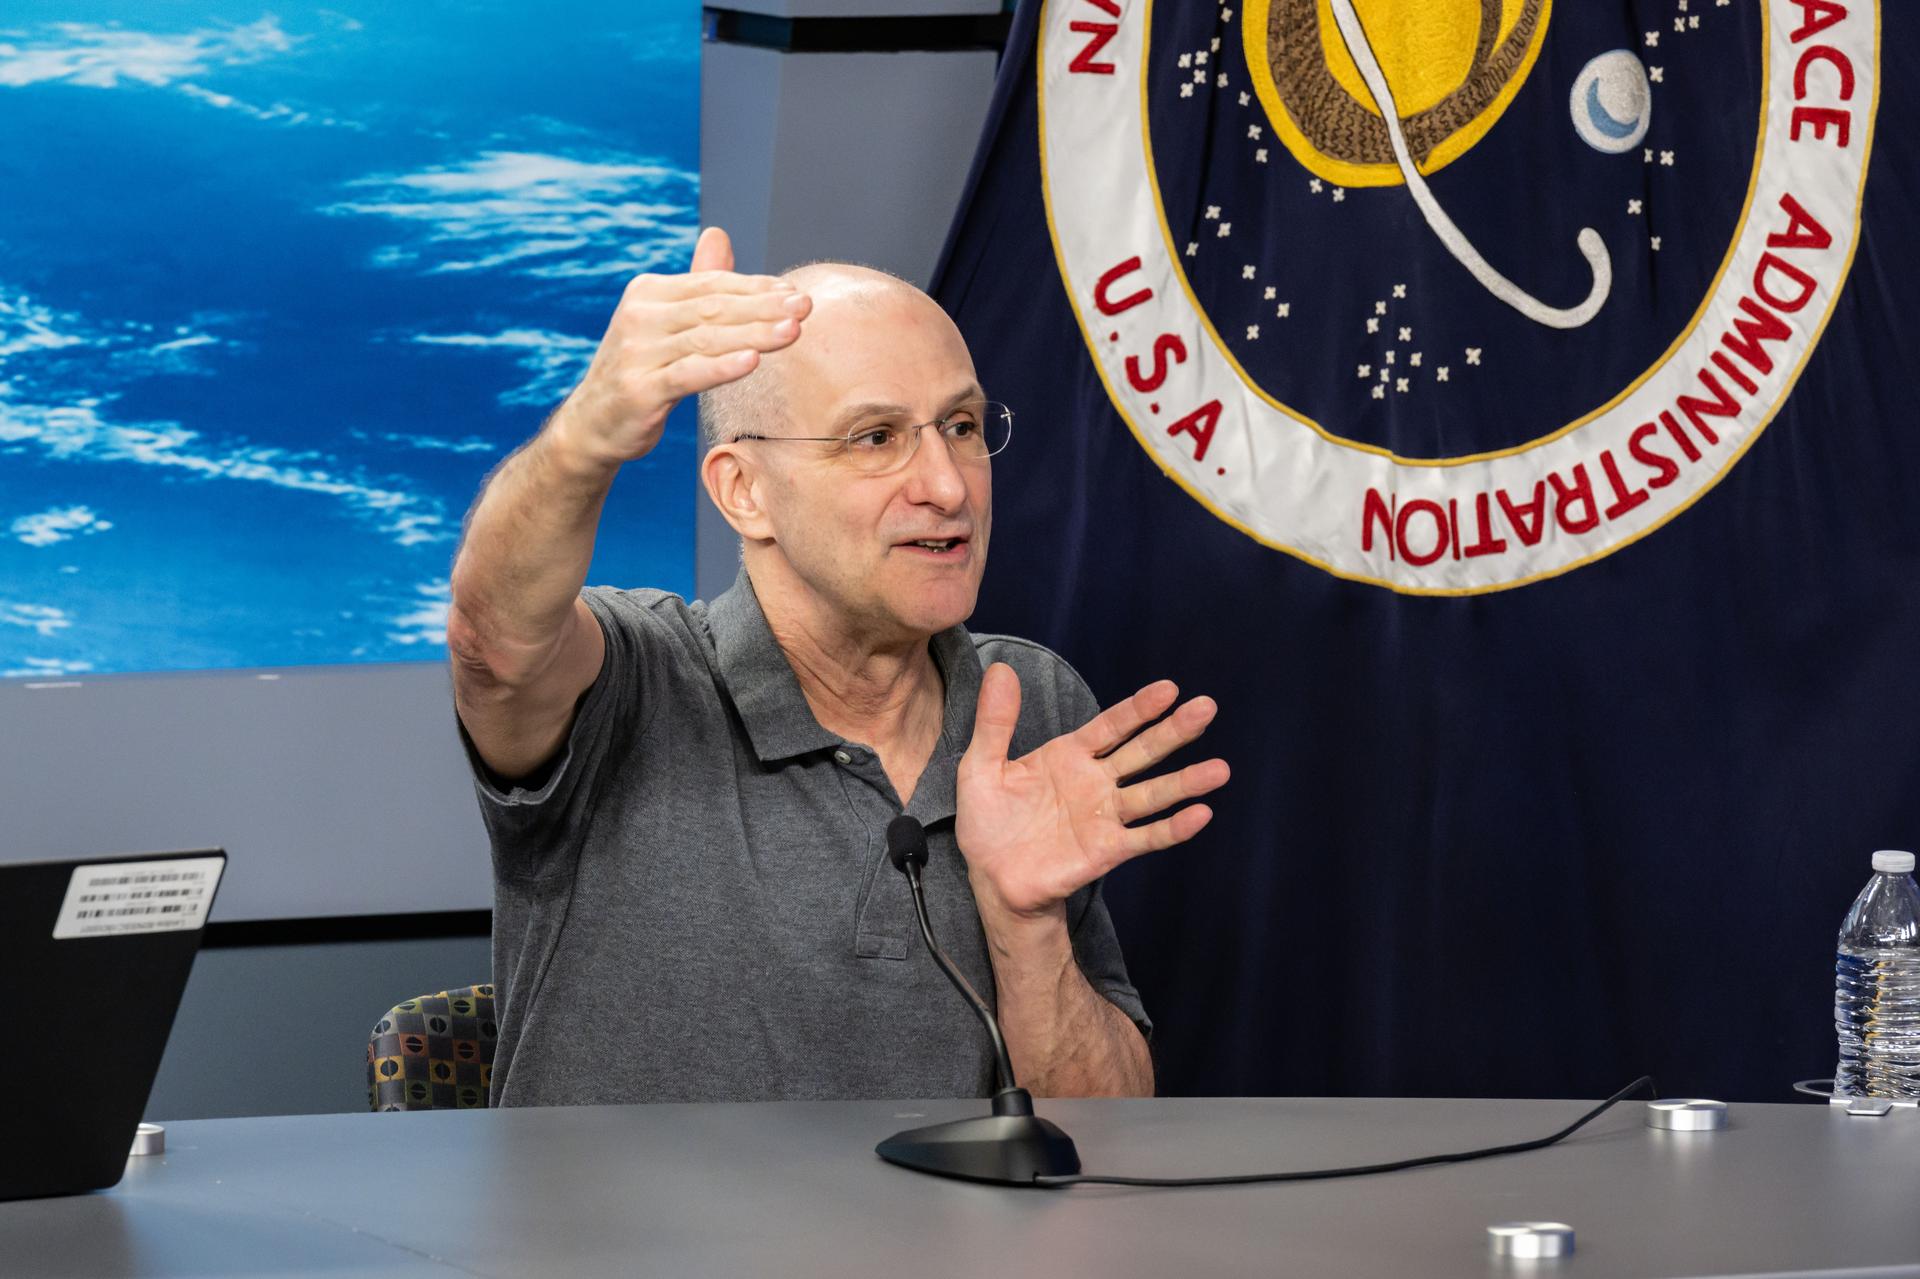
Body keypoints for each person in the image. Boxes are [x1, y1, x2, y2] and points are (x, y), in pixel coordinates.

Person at [447, 227, 1229, 1105]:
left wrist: (1028, 924)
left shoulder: (1026, 703)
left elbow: (1107, 1137)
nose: (947, 483)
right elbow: (494, 645)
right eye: (875, 437)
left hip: (952, 1247)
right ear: (745, 490)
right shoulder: (638, 679)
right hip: (642, 1247)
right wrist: (587, 436)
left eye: (962, 427)